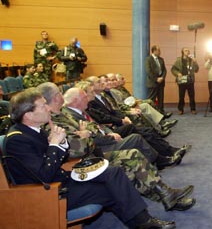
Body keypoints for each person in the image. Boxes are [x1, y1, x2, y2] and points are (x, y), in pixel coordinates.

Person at [4, 88, 177, 229]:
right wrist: (55, 146)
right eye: (42, 107)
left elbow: (57, 159)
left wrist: (59, 143)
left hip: (60, 180)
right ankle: (145, 228)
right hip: (47, 194)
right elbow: (44, 175)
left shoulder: (34, 130)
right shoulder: (17, 139)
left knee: (113, 173)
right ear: (28, 115)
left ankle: (145, 226)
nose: (48, 109)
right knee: (111, 189)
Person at [36, 82, 196, 212]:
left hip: (93, 151)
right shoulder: (51, 121)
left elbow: (91, 129)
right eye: (58, 92)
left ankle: (165, 194)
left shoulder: (63, 115)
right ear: (54, 97)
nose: (61, 95)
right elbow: (76, 147)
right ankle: (164, 194)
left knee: (133, 154)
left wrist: (86, 133)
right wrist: (84, 134)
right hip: (84, 162)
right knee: (132, 156)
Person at [171, 48, 199, 115]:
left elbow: (196, 70)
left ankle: (193, 109)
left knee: (192, 96)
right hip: (182, 81)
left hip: (190, 80)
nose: (188, 51)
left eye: (188, 50)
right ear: (182, 52)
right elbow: (173, 69)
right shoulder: (178, 60)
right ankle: (180, 109)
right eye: (186, 50)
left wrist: (195, 62)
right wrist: (177, 73)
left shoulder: (192, 60)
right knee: (181, 96)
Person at [145, 45, 167, 113]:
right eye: (158, 50)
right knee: (151, 99)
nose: (160, 52)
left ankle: (161, 112)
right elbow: (148, 71)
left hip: (161, 82)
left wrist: (162, 77)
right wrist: (156, 79)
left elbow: (164, 70)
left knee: (161, 98)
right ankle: (151, 113)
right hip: (152, 82)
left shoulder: (161, 59)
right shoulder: (148, 59)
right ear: (154, 51)